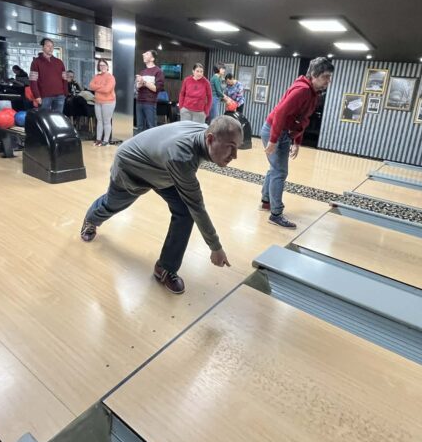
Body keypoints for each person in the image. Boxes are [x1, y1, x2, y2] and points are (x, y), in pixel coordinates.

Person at [80, 116, 242, 294]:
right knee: (113, 204)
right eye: (230, 147)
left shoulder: (204, 134)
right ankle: (91, 219)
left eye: (237, 148)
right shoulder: (182, 156)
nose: (234, 156)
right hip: (131, 165)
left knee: (185, 212)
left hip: (163, 169)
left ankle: (165, 268)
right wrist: (215, 247)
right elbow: (197, 206)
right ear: (210, 139)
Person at [260, 56, 334, 229]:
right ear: (314, 75)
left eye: (329, 77)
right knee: (280, 171)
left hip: (283, 132)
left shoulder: (313, 93)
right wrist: (273, 140)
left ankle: (266, 201)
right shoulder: (302, 90)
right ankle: (276, 214)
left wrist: (297, 141)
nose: (328, 81)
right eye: (325, 77)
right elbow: (280, 113)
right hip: (275, 130)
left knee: (275, 168)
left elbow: (302, 118)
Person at [29, 38, 67, 112]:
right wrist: (37, 96)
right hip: (44, 96)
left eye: (52, 46)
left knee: (58, 117)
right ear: (43, 47)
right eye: (48, 46)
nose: (50, 48)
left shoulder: (59, 62)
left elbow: (64, 79)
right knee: (44, 117)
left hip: (60, 95)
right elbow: (33, 81)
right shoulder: (36, 62)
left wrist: (65, 93)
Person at [135, 49, 165, 133]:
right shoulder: (143, 71)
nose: (143, 55)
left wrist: (144, 82)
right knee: (140, 127)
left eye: (147, 54)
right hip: (139, 101)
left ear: (152, 59)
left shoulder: (158, 71)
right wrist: (140, 83)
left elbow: (156, 89)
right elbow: (137, 87)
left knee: (151, 127)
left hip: (150, 103)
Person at [89, 59, 116, 147]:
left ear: (107, 66)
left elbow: (107, 90)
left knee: (106, 121)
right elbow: (91, 86)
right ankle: (98, 139)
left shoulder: (110, 77)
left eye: (104, 65)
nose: (102, 67)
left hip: (108, 102)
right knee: (99, 121)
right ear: (98, 67)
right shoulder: (96, 76)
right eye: (100, 65)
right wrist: (102, 86)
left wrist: (97, 87)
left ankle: (106, 140)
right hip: (98, 101)